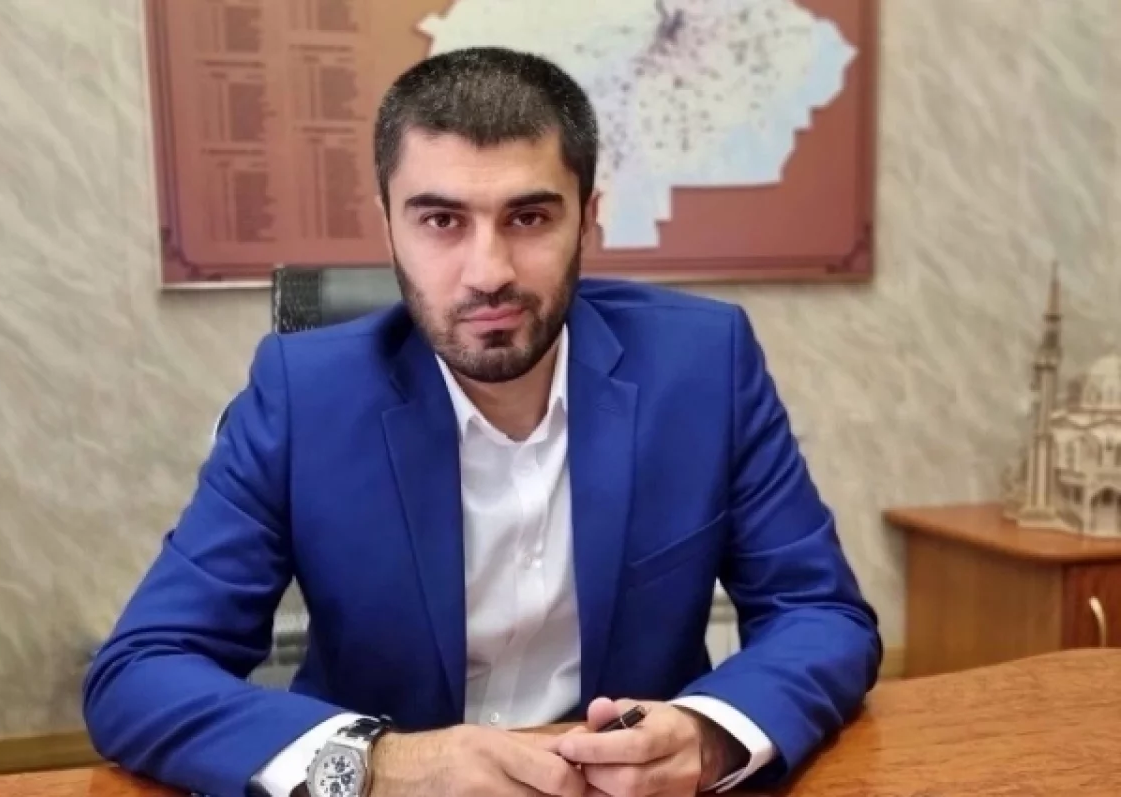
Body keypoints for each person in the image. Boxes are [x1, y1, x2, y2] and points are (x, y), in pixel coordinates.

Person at [83, 46, 881, 797]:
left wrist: (709, 734)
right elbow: (141, 670)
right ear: (386, 224)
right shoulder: (303, 395)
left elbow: (820, 612)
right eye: (441, 220)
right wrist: (384, 764)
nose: (488, 271)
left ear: (587, 219)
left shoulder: (704, 367)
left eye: (529, 218)